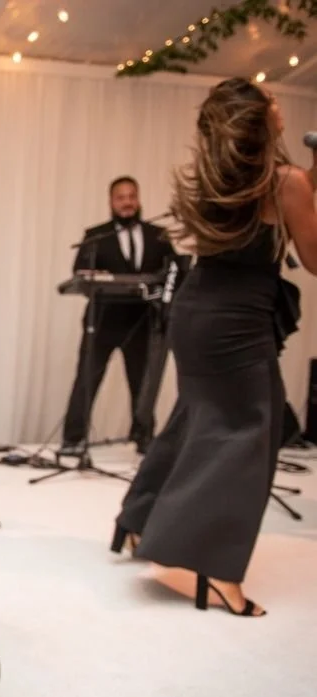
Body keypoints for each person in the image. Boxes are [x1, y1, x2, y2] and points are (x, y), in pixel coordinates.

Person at [112, 77, 317, 616]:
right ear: (260, 121)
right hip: (240, 326)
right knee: (251, 437)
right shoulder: (285, 181)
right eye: (272, 100)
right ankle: (218, 571)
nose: (278, 104)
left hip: (196, 313)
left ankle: (136, 523)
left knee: (192, 420)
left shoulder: (212, 180)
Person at [61, 176, 176, 455]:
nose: (127, 202)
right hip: (102, 322)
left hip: (142, 323)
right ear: (111, 202)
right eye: (121, 198)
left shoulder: (158, 236)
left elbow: (173, 273)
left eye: (131, 196)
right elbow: (80, 272)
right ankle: (73, 440)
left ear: (138, 199)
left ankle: (144, 438)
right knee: (87, 380)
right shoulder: (96, 236)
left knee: (143, 383)